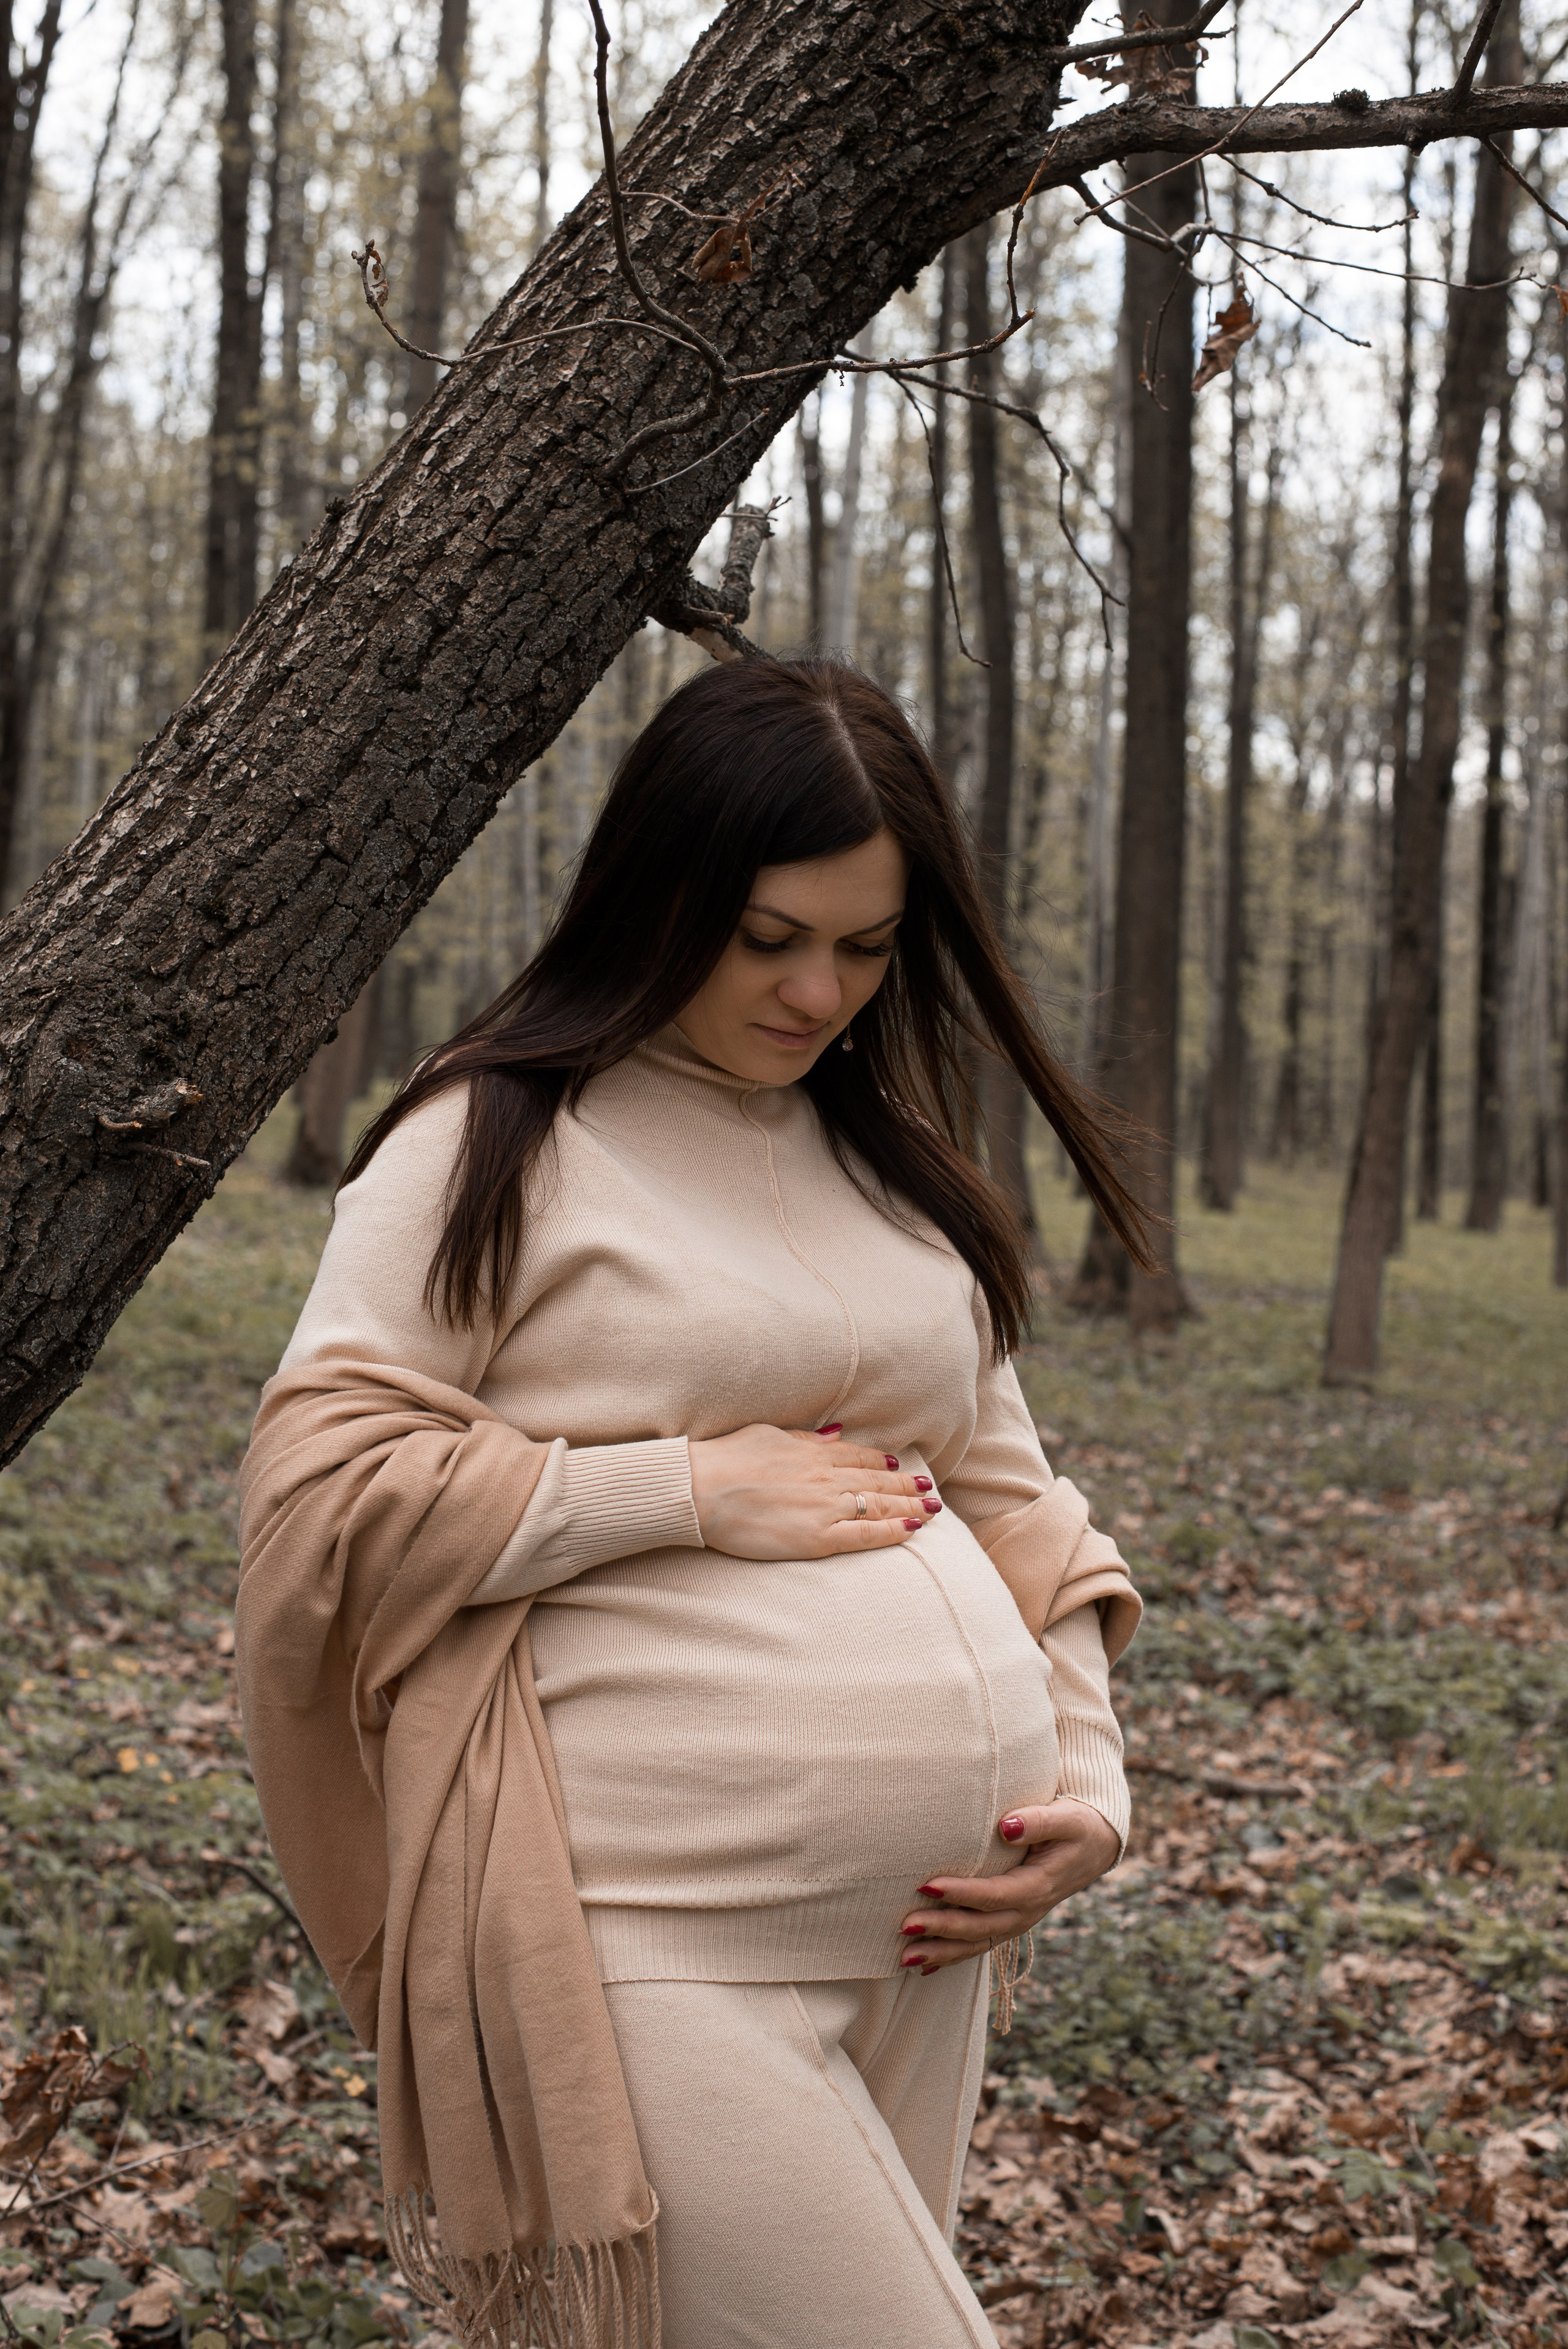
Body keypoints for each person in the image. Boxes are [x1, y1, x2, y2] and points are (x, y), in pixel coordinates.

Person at [237, 657, 1152, 2349]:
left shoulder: (891, 1168)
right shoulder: (491, 1138)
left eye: (869, 949)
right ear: (662, 891)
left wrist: (1088, 1774)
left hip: (927, 1950)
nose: (821, 992)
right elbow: (321, 1497)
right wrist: (680, 1489)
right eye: (771, 936)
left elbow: (1027, 1513)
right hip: (647, 1934)